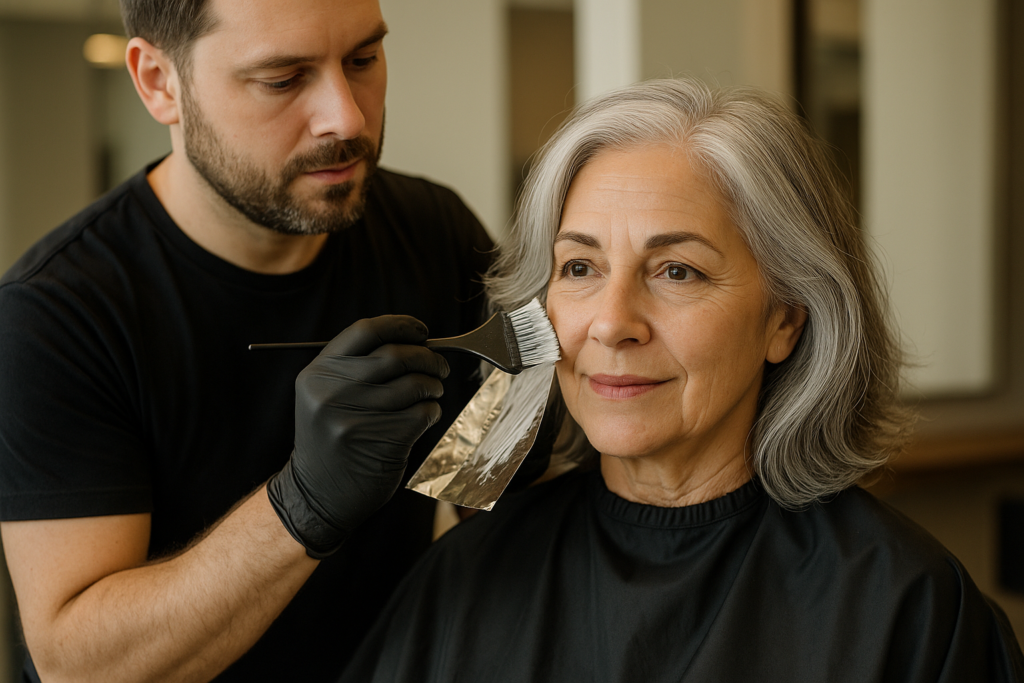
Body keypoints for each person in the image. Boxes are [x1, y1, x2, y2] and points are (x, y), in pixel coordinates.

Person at [339, 78, 1024, 682]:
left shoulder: (910, 609)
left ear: (785, 318)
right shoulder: (465, 577)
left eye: (677, 271)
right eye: (580, 267)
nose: (612, 324)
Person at [0, 0, 499, 681]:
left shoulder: (433, 230)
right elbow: (79, 667)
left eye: (362, 60)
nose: (346, 117)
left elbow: (492, 493)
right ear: (158, 83)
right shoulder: (57, 315)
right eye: (283, 78)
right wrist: (303, 504)